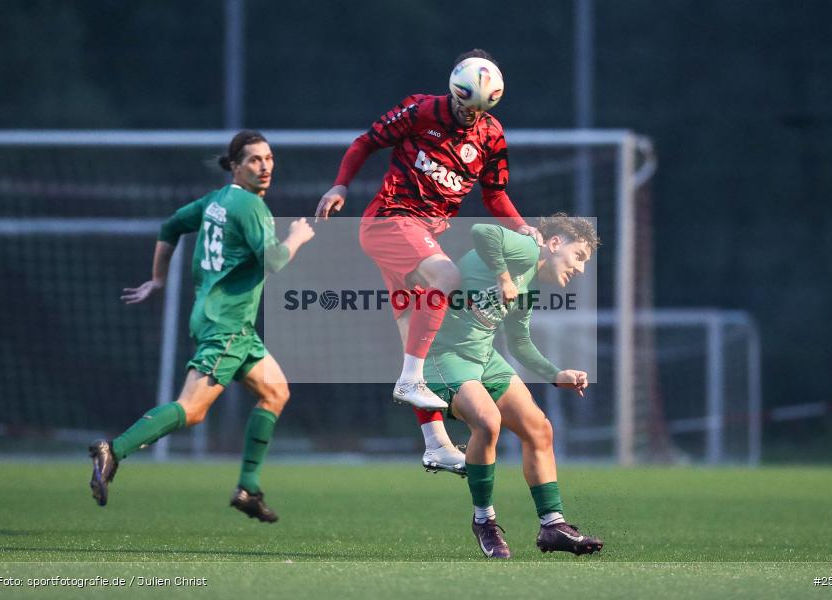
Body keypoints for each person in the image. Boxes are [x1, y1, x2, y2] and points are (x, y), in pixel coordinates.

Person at [315, 49, 542, 476]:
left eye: (475, 109)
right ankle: (409, 380)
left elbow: (493, 194)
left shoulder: (491, 136)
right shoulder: (420, 111)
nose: (466, 115)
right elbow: (366, 142)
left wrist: (523, 227)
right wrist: (340, 185)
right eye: (461, 105)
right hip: (390, 220)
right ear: (452, 90)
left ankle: (435, 443)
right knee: (448, 276)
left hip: (419, 236)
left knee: (418, 336)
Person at [88, 131, 315, 523]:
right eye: (254, 160)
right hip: (226, 326)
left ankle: (248, 487)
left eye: (269, 158)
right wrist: (297, 237)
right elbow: (274, 261)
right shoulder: (248, 206)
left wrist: (158, 279)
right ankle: (114, 449)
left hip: (233, 326)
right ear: (235, 167)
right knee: (192, 410)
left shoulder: (216, 202)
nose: (264, 167)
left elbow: (171, 226)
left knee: (276, 391)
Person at [424, 215, 603, 558]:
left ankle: (553, 525)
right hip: (444, 355)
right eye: (578, 256)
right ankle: (484, 522)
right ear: (553, 244)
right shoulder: (524, 249)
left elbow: (520, 344)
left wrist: (555, 374)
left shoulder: (530, 283)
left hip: (484, 357)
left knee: (538, 429)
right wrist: (504, 277)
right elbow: (482, 231)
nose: (580, 268)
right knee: (488, 422)